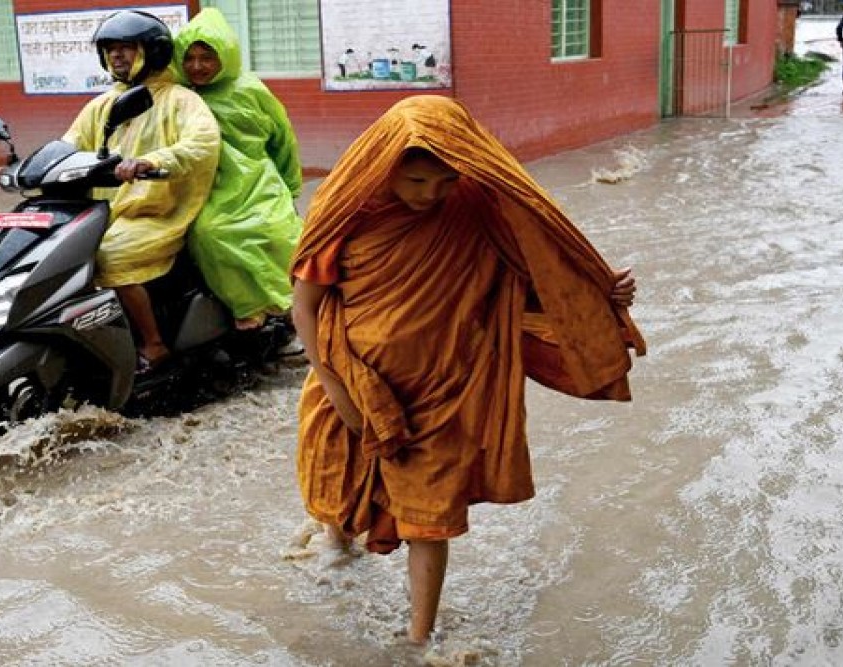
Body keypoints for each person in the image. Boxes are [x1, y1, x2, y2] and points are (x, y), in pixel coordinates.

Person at [290, 95, 645, 645]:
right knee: (338, 488)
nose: (428, 195)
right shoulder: (346, 213)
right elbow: (306, 306)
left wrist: (602, 294)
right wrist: (337, 389)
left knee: (428, 518)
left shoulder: (479, 210)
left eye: (444, 182)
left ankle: (418, 638)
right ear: (383, 165)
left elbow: (535, 278)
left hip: (444, 391)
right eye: (414, 181)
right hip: (352, 381)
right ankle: (337, 554)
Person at [62, 10, 221, 372]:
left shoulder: (180, 100)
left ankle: (154, 343)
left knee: (110, 257)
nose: (116, 55)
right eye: (110, 49)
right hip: (109, 212)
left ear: (154, 51)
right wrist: (28, 168)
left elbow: (202, 144)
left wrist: (151, 161)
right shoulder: (101, 105)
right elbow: (69, 145)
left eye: (126, 47)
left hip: (159, 211)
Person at [171, 8, 304, 331]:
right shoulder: (181, 95)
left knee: (277, 232)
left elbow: (283, 139)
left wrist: (290, 186)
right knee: (210, 233)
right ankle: (248, 305)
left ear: (226, 56)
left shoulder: (251, 90)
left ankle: (291, 304)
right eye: (189, 58)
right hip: (206, 184)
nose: (197, 66)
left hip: (257, 179)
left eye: (207, 57)